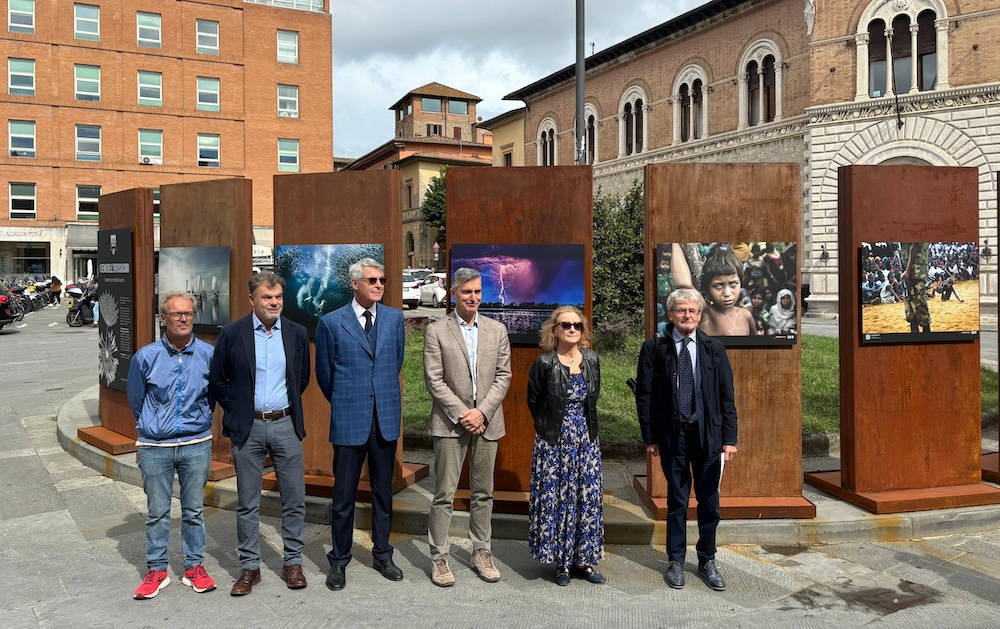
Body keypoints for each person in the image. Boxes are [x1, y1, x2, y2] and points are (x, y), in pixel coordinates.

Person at [209, 272, 311, 596]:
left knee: (294, 499)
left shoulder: (296, 333)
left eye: (278, 297)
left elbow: (302, 378)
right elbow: (217, 380)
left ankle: (292, 562)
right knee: (248, 502)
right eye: (267, 298)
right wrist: (237, 409)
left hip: (285, 424)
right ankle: (250, 567)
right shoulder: (232, 334)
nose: (274, 303)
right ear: (252, 300)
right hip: (248, 428)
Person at [635, 288, 738, 592]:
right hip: (672, 438)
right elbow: (645, 396)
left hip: (709, 438)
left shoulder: (713, 348)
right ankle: (676, 560)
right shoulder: (655, 348)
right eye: (681, 310)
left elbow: (726, 396)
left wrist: (729, 439)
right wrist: (650, 437)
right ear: (670, 314)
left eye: (693, 311)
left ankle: (707, 559)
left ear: (700, 314)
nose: (687, 316)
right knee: (677, 501)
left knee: (709, 502)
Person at [315, 258, 405, 591]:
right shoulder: (331, 323)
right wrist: (348, 401)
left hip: (384, 420)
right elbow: (326, 377)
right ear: (355, 284)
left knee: (383, 493)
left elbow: (395, 362)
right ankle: (339, 561)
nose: (379, 285)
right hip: (350, 420)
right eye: (372, 280)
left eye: (382, 279)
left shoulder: (395, 319)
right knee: (343, 497)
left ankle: (383, 554)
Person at [424, 267, 512, 587]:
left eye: (477, 292)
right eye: (466, 292)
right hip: (450, 424)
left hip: (488, 423)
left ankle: (481, 552)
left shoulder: (496, 330)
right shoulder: (437, 330)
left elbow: (504, 377)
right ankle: (440, 557)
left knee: (483, 493)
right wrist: (464, 413)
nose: (473, 297)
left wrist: (482, 412)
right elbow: (434, 380)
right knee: (444, 494)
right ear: (453, 293)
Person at [126, 291, 217, 600]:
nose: (183, 319)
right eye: (176, 314)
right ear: (163, 318)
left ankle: (195, 567)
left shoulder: (208, 354)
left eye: (188, 313)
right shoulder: (146, 356)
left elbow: (213, 395)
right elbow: (136, 399)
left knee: (193, 510)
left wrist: (201, 418)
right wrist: (154, 426)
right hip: (155, 446)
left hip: (196, 443)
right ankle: (157, 569)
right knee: (157, 512)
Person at [526, 306, 605, 587]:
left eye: (577, 325)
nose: (572, 329)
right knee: (558, 499)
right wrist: (551, 430)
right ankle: (561, 564)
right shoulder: (544, 363)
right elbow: (533, 402)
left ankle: (583, 560)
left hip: (586, 440)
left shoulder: (592, 360)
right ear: (554, 330)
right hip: (554, 441)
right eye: (566, 325)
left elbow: (593, 399)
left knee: (587, 498)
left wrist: (584, 432)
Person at [698, 248, 757, 336]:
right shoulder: (705, 314)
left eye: (733, 284)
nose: (727, 293)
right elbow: (683, 284)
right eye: (718, 286)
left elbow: (756, 348)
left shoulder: (746, 316)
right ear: (707, 288)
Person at [901, 242, 931, 333]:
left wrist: (908, 270)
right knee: (910, 308)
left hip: (915, 272)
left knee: (919, 306)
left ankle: (927, 337)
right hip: (912, 272)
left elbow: (915, 245)